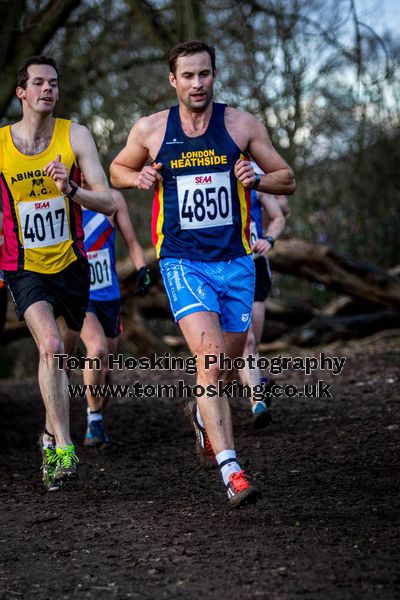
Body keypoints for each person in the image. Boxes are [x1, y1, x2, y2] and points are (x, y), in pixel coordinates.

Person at [110, 40, 295, 508]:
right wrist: (137, 179)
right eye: (188, 76)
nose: (197, 83)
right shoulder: (151, 129)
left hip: (236, 262)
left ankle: (198, 411)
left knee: (227, 368)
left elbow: (287, 178)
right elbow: (115, 169)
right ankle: (231, 470)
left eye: (205, 74)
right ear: (173, 80)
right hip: (181, 261)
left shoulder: (241, 124)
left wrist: (257, 176)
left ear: (215, 75)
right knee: (210, 360)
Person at [0, 56, 115, 491]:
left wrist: (72, 189)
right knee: (49, 346)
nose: (48, 89)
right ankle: (65, 446)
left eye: (54, 83)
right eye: (38, 83)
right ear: (22, 93)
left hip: (71, 265)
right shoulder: (1, 145)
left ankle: (49, 435)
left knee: (61, 359)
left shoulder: (75, 135)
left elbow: (109, 202)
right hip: (24, 267)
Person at [80, 181, 150, 447]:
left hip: (109, 294)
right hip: (80, 295)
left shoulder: (113, 199)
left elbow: (131, 242)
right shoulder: (66, 198)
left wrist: (142, 268)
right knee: (96, 350)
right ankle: (93, 419)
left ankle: (97, 417)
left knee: (106, 370)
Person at [239, 187, 288, 428]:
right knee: (243, 343)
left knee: (251, 344)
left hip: (256, 267)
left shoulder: (253, 180)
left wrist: (269, 238)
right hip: (225, 268)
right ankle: (257, 403)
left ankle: (256, 385)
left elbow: (279, 216)